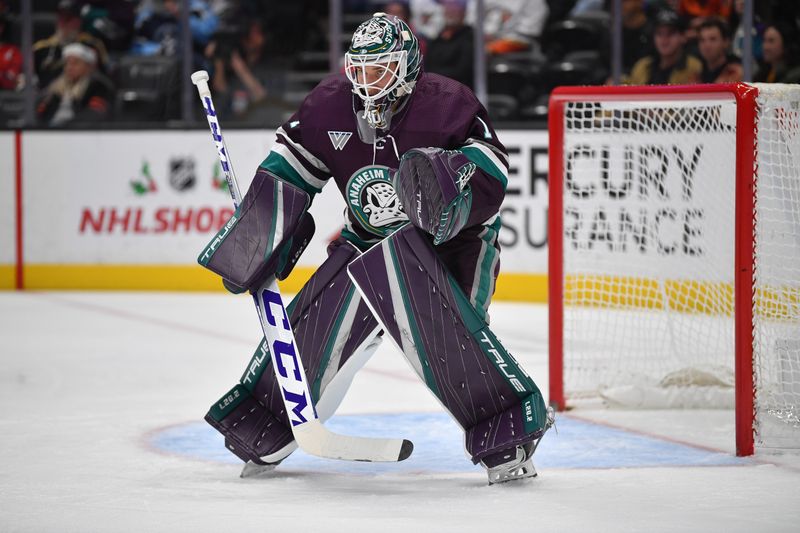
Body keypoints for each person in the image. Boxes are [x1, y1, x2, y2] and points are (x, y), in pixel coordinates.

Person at [200, 12, 554, 484]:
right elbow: (289, 169)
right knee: (317, 324)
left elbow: (492, 172)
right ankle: (271, 419)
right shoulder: (328, 106)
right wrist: (257, 237)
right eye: (360, 69)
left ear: (407, 67)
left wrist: (453, 181)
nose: (368, 82)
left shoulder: (448, 104)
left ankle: (505, 430)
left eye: (380, 68)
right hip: (366, 238)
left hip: (452, 242)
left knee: (452, 336)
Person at [33, 0, 109, 89]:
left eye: (68, 19)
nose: (63, 23)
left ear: (78, 21)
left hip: (83, 97)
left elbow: (102, 78)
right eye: (61, 18)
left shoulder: (92, 45)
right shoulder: (41, 48)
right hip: (48, 97)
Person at [36, 42, 114, 126]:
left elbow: (94, 114)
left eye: (75, 63)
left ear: (88, 66)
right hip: (48, 133)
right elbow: (39, 111)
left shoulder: (98, 86)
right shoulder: (56, 87)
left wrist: (64, 127)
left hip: (80, 133)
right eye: (67, 63)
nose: (69, 67)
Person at [627, 9, 702, 84]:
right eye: (659, 33)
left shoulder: (695, 67)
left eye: (670, 33)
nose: (664, 40)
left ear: (683, 37)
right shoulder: (642, 67)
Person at [424, 0, 473, 88]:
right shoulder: (438, 38)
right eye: (449, 9)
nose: (451, 13)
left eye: (455, 10)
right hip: (433, 87)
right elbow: (427, 64)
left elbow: (462, 71)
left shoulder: (470, 37)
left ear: (463, 13)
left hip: (458, 90)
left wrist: (433, 76)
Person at [697, 18, 742, 83]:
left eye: (713, 39)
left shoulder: (737, 73)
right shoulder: (695, 75)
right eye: (702, 40)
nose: (706, 45)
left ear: (726, 42)